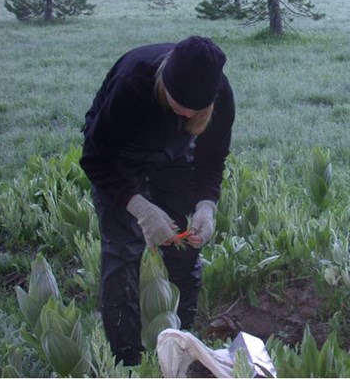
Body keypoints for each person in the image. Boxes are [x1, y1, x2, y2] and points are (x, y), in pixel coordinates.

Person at [80, 35, 235, 366]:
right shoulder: (132, 83)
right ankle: (126, 358)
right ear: (164, 83)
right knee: (123, 251)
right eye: (178, 104)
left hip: (175, 159)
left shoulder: (220, 94)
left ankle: (180, 345)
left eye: (194, 111)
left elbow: (211, 161)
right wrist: (141, 208)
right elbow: (95, 159)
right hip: (119, 159)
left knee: (185, 243)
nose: (185, 113)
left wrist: (206, 206)